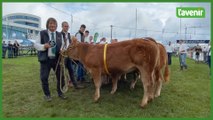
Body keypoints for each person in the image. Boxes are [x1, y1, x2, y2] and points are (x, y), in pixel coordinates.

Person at [34, 18, 67, 101]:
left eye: (54, 24)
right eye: (51, 23)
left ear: (56, 25)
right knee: (44, 77)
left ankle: (60, 92)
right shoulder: (42, 33)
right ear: (47, 25)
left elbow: (63, 45)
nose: (52, 25)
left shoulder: (60, 34)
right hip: (46, 59)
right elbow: (35, 44)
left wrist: (62, 49)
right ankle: (47, 95)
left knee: (61, 77)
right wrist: (44, 46)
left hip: (57, 59)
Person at [61, 21, 84, 89]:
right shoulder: (59, 34)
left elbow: (70, 44)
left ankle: (74, 84)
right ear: (62, 26)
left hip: (68, 54)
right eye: (65, 26)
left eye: (67, 26)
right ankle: (63, 84)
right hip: (62, 55)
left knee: (71, 70)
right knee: (62, 70)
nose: (67, 27)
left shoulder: (68, 34)